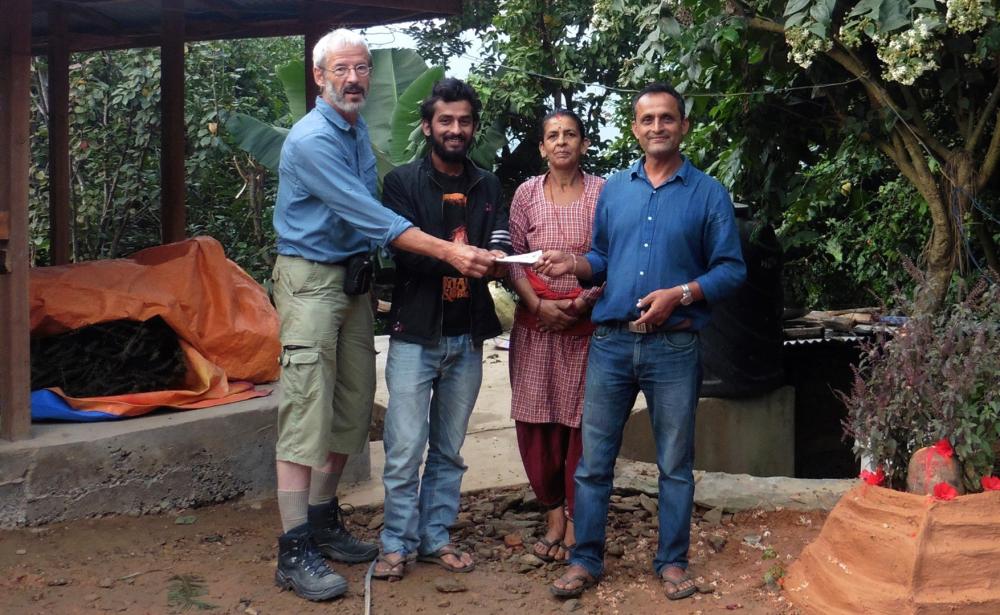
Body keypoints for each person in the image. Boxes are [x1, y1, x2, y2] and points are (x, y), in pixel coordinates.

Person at [270, 31, 495, 602]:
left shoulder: (354, 133)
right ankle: (293, 548)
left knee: (350, 408)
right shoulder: (312, 140)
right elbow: (372, 217)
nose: (354, 79)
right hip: (309, 281)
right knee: (306, 411)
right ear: (319, 76)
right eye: (341, 69)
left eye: (362, 68)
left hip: (352, 286)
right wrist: (449, 252)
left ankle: (323, 521)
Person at [535, 83, 746, 601]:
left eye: (667, 118)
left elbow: (731, 269)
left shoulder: (708, 193)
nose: (657, 127)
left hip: (673, 347)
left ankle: (672, 562)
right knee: (593, 464)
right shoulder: (615, 190)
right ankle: (585, 560)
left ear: (683, 126)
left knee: (674, 465)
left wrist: (681, 293)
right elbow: (603, 259)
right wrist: (574, 263)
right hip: (610, 344)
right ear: (635, 128)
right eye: (647, 119)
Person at [370, 78, 511, 581]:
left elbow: (499, 240)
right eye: (445, 120)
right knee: (405, 447)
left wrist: (497, 257)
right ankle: (395, 543)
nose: (455, 129)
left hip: (467, 335)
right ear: (427, 126)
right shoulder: (401, 183)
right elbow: (404, 250)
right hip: (415, 333)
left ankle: (435, 537)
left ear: (474, 127)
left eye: (464, 121)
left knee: (449, 448)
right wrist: (460, 256)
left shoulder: (487, 184)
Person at [507, 109, 604, 562]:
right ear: (542, 147)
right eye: (553, 135)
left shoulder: (603, 192)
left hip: (587, 326)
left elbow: (613, 254)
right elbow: (512, 258)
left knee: (581, 422)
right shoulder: (526, 194)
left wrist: (582, 303)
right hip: (536, 326)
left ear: (584, 144)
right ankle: (552, 515)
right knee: (536, 421)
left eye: (570, 134)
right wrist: (537, 305)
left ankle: (578, 519)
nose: (561, 141)